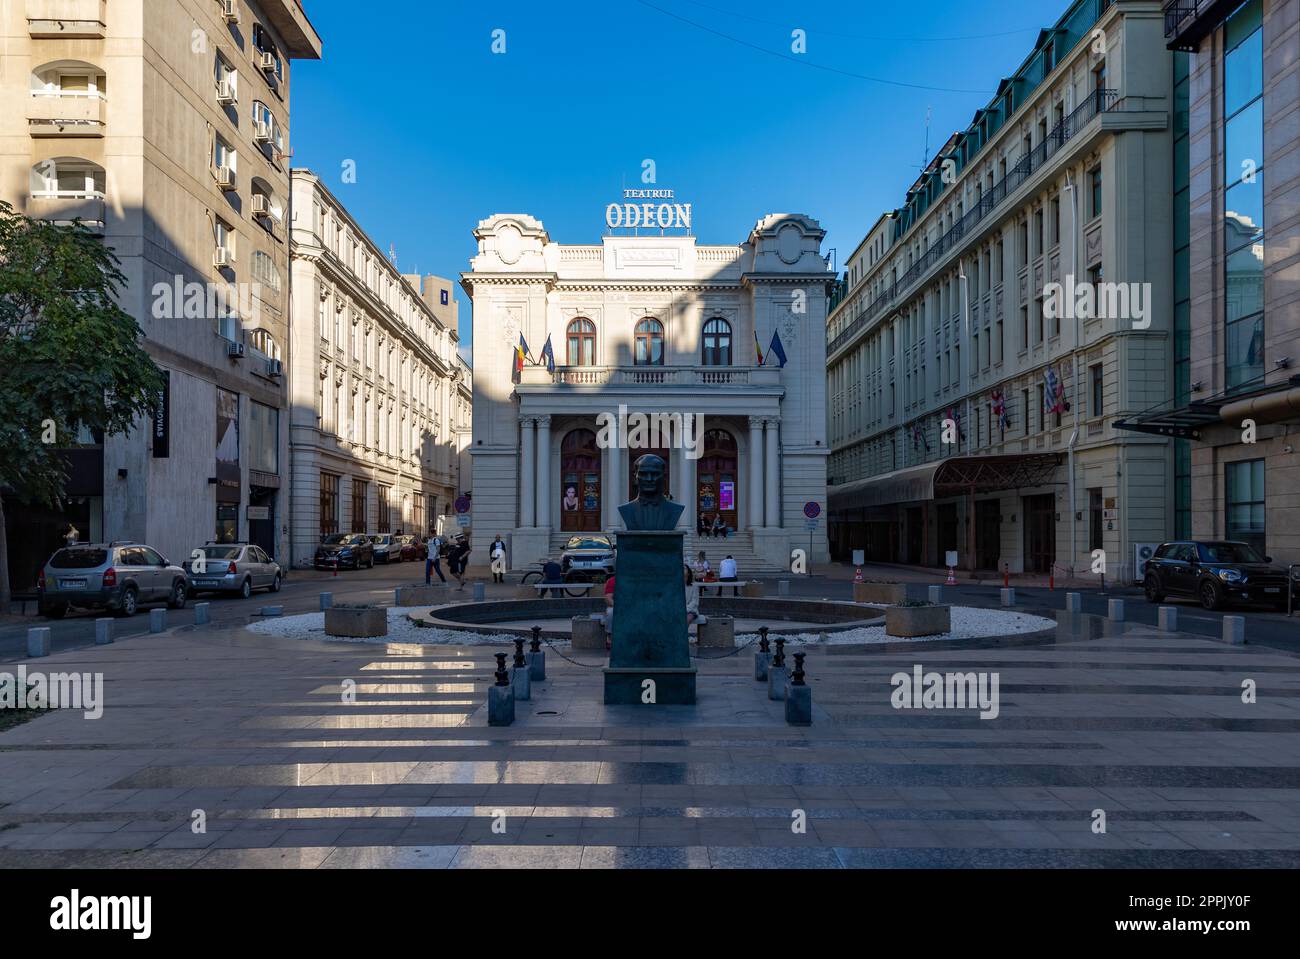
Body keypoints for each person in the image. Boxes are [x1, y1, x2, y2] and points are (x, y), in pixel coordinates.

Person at [684, 565, 702, 629]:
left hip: (691, 611)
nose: (683, 569)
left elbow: (695, 602)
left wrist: (685, 609)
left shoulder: (694, 586)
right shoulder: (676, 587)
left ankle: (682, 636)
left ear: (688, 573)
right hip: (678, 610)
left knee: (687, 618)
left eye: (684, 568)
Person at [602, 573, 615, 649]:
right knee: (611, 613)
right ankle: (609, 637)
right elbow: (608, 598)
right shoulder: (612, 581)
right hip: (615, 606)